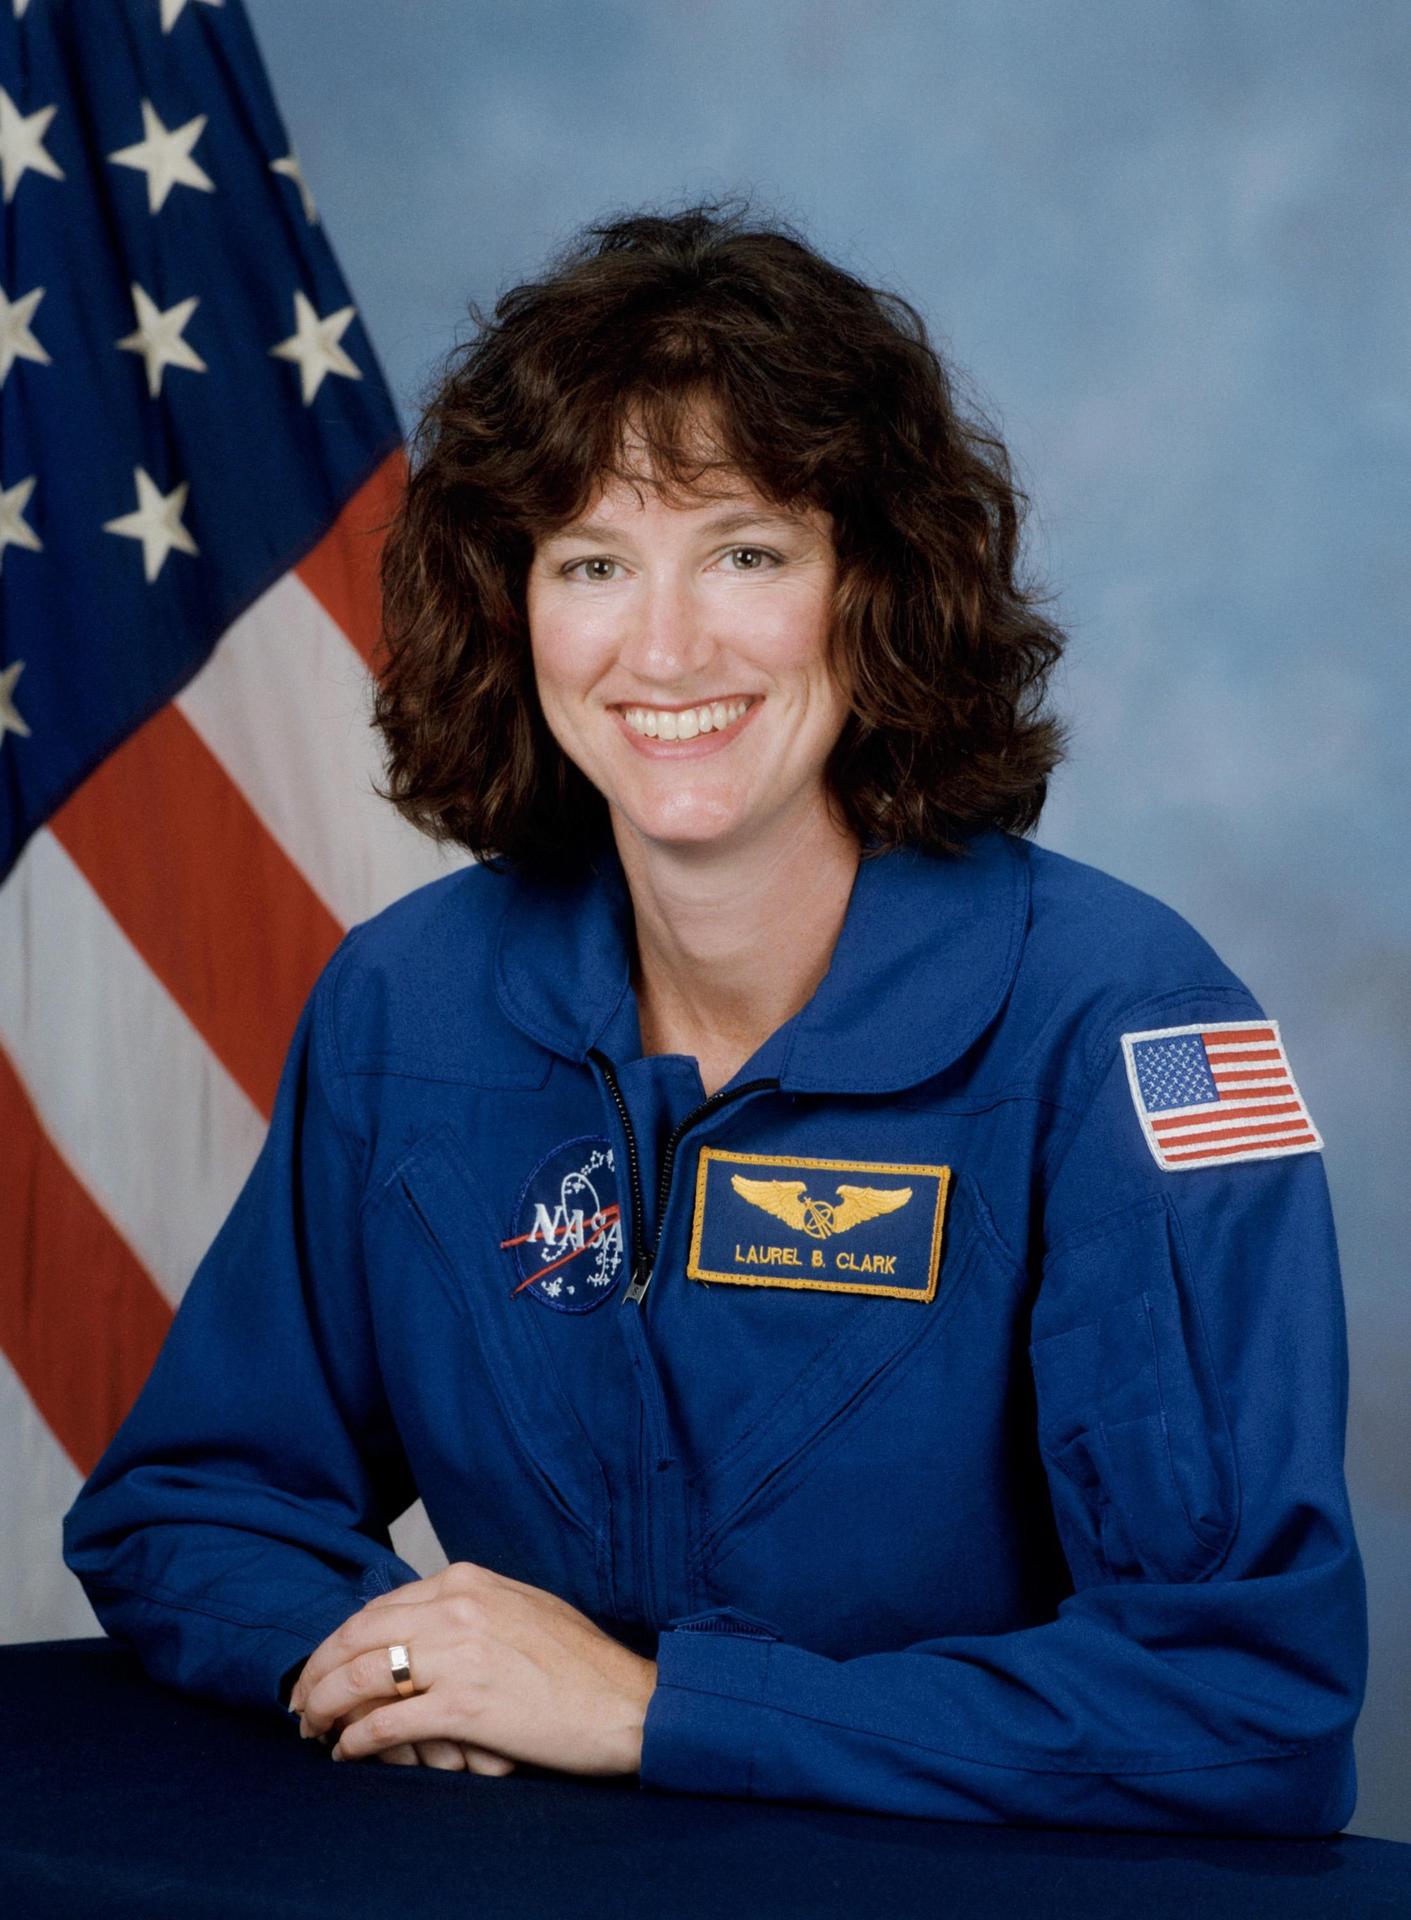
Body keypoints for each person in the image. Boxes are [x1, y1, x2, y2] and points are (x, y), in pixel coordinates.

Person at [63, 203, 1367, 1831]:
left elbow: (1247, 1702)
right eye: (593, 564)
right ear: (511, 608)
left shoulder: (1133, 1034)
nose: (664, 646)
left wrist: (653, 1711)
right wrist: (417, 1666)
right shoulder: (407, 1007)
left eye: (747, 551)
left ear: (872, 587)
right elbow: (189, 1501)